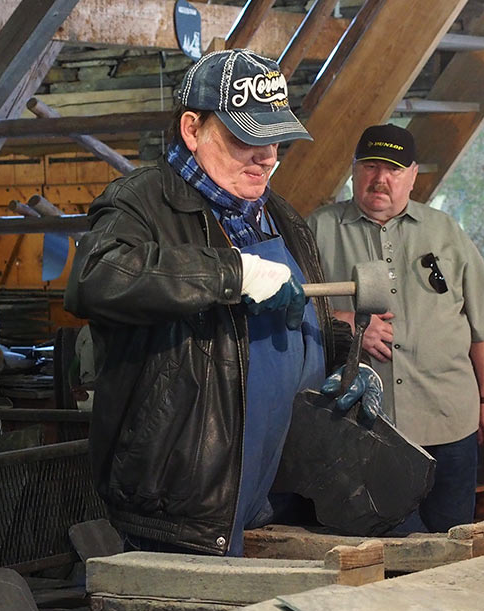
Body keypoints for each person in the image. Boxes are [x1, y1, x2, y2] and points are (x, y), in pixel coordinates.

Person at [65, 49, 378, 556]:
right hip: (191, 496)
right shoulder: (141, 203)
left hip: (283, 490)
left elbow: (292, 321)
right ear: (193, 129)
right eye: (246, 138)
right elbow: (97, 278)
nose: (268, 155)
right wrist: (231, 272)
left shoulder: (282, 217)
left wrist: (347, 362)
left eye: (274, 139)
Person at [308, 124, 484, 531]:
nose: (380, 179)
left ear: (413, 174)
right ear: (354, 170)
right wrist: (345, 324)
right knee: (374, 550)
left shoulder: (445, 232)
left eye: (393, 169)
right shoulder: (316, 230)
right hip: (359, 429)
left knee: (452, 543)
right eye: (370, 166)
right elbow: (283, 311)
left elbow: (483, 325)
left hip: (447, 421)